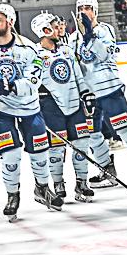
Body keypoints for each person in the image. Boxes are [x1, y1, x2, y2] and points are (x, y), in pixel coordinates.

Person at [0, 3, 62, 220]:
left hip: (29, 108)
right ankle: (13, 195)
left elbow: (34, 81)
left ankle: (42, 188)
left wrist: (9, 86)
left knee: (39, 152)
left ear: (10, 22)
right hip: (1, 111)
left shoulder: (28, 48)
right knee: (10, 155)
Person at [69, 0, 127, 187]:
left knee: (124, 129)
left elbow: (104, 55)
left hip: (110, 89)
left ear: (95, 11)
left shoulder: (105, 30)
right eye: (80, 9)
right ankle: (106, 169)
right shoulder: (73, 38)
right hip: (89, 95)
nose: (83, 12)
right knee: (93, 134)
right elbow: (75, 66)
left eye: (87, 8)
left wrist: (90, 36)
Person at [33, 12, 94, 202]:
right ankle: (58, 183)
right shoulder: (35, 54)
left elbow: (77, 76)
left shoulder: (66, 50)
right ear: (44, 30)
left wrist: (86, 93)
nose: (59, 28)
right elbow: (31, 83)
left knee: (82, 144)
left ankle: (82, 182)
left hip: (74, 104)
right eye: (53, 26)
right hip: (50, 106)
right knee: (56, 148)